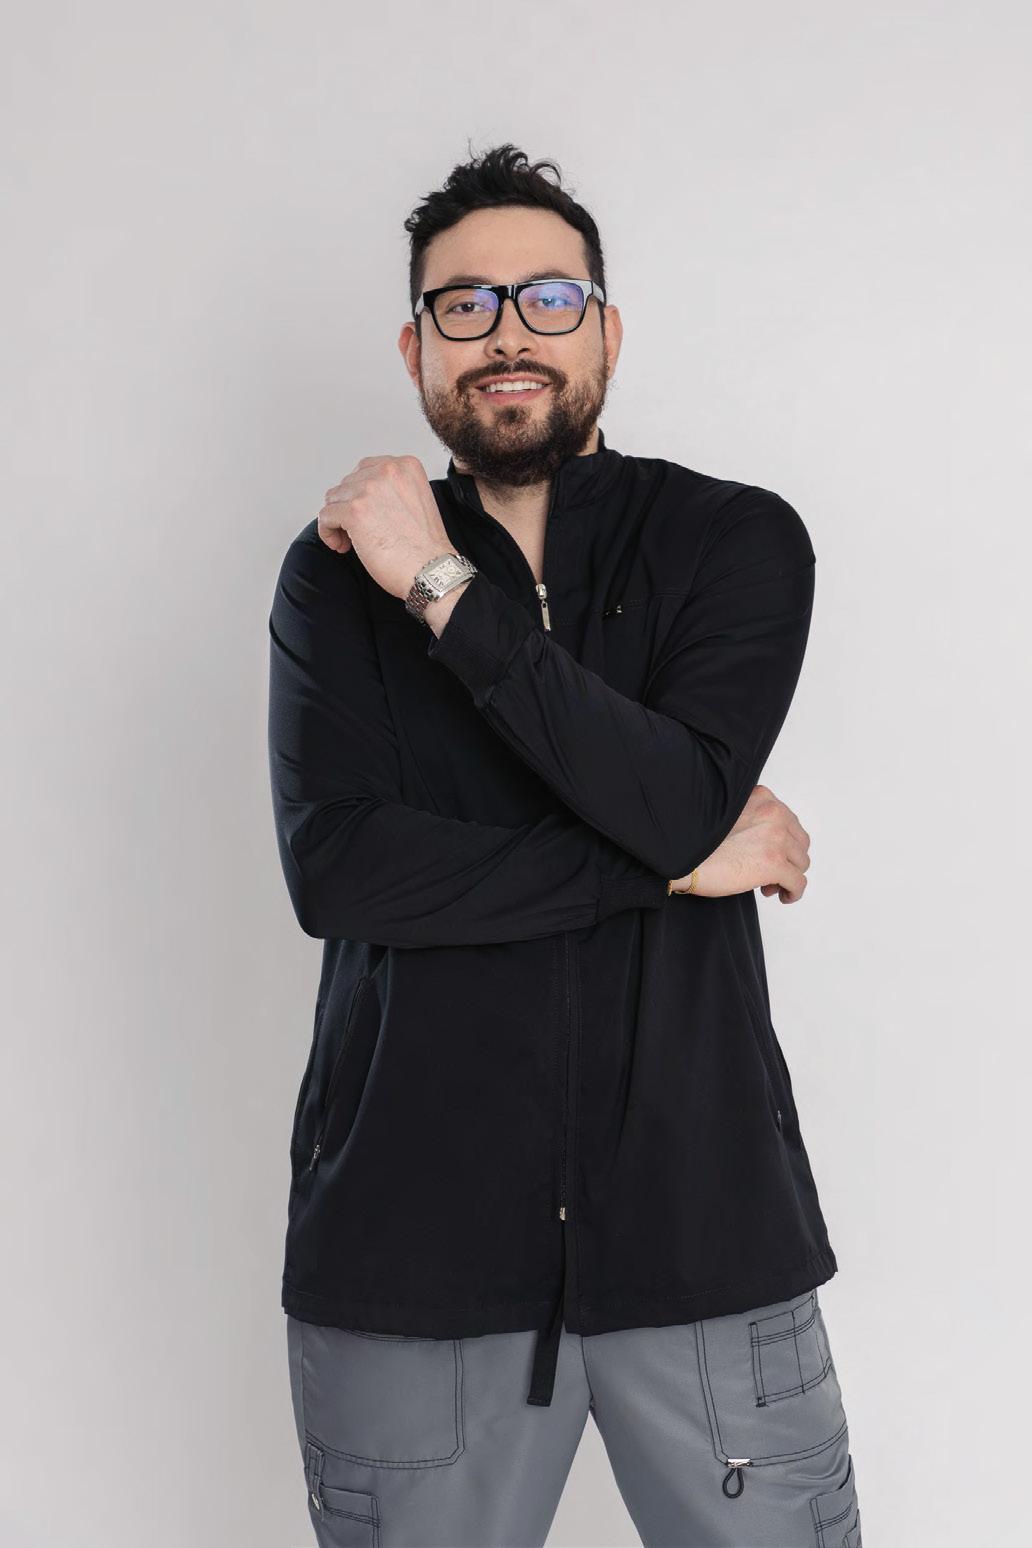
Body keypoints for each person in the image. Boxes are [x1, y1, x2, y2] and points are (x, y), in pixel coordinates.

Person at [267, 143, 861, 1547]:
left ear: (606, 328)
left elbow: (678, 795)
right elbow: (344, 874)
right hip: (412, 1265)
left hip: (708, 1245)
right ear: (417, 347)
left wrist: (440, 583)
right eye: (464, 305)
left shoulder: (735, 543)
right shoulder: (334, 578)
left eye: (547, 297)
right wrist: (670, 861)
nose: (508, 333)